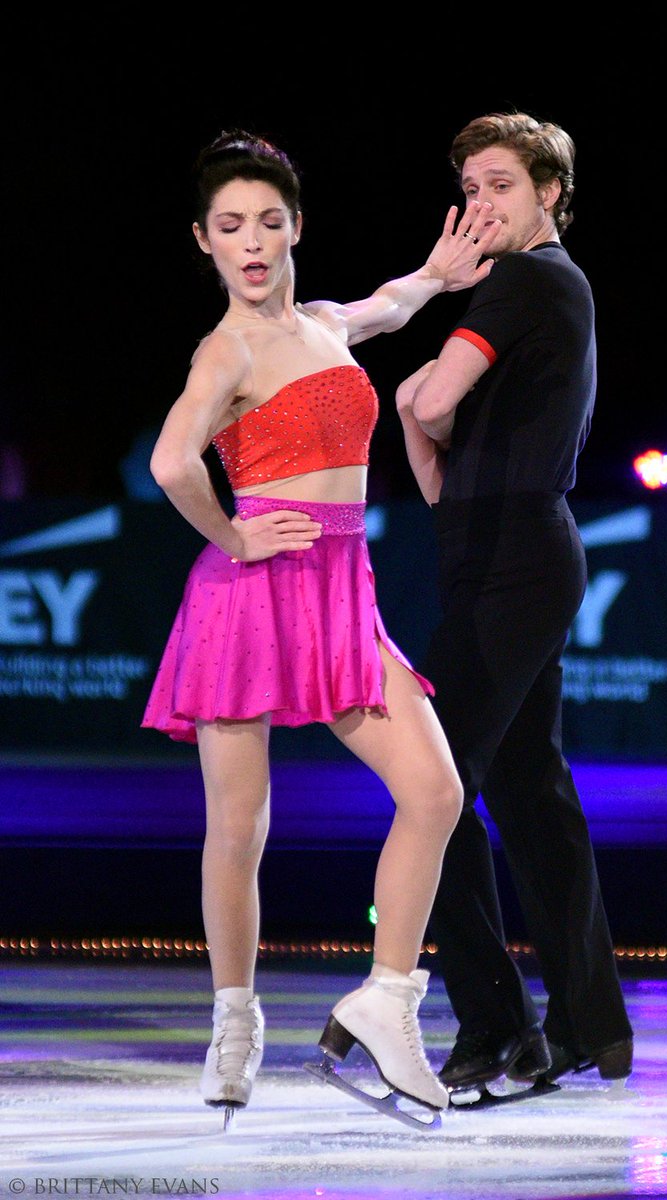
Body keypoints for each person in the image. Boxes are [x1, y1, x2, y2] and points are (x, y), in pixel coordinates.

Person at [141, 129, 501, 1118]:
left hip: (340, 593)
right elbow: (172, 463)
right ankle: (234, 1021)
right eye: (229, 227)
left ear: (295, 226)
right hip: (247, 596)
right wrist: (234, 535)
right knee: (239, 824)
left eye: (268, 221)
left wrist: (436, 276)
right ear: (205, 241)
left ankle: (387, 998)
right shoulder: (226, 349)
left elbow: (386, 306)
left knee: (434, 790)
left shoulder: (326, 326)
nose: (251, 242)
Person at [395, 112, 633, 1094]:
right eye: (469, 188)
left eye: (500, 184)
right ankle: (589, 1025)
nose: (481, 203)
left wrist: (425, 372)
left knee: (431, 784)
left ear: (549, 192)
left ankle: (496, 1024)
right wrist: (419, 405)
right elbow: (433, 460)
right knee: (531, 796)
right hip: (500, 553)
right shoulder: (547, 289)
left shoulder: (528, 280)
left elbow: (427, 405)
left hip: (515, 563)